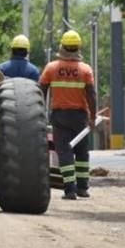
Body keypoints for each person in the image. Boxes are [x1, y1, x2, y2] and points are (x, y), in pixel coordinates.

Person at [39, 30, 97, 200]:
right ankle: (83, 188)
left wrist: (40, 113)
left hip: (60, 116)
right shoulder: (85, 70)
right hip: (80, 116)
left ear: (62, 46)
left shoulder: (51, 68)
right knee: (82, 152)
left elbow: (41, 90)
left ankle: (70, 190)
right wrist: (92, 117)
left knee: (64, 152)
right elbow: (91, 94)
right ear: (78, 47)